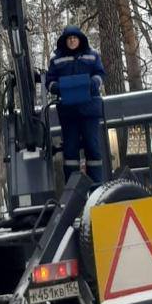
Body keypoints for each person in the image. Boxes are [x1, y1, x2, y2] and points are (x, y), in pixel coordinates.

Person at [45, 26, 105, 185]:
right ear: (65, 41)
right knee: (70, 152)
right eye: (69, 38)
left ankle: (96, 188)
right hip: (69, 113)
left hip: (89, 110)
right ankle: (73, 190)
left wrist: (94, 83)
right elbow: (49, 81)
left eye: (75, 37)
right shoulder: (56, 59)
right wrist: (55, 88)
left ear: (80, 39)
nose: (72, 40)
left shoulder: (92, 55)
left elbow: (100, 73)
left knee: (92, 148)